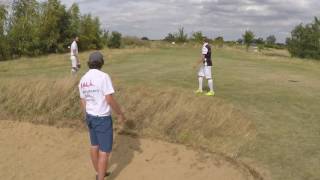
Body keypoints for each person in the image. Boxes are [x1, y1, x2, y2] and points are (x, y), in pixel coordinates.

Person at [79, 52, 125, 180]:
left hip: (90, 116)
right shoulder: (103, 77)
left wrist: (87, 114)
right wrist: (120, 113)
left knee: (94, 146)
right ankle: (101, 177)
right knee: (104, 151)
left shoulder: (83, 79)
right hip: (102, 118)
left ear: (89, 63)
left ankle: (99, 173)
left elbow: (83, 100)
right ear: (101, 63)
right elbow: (109, 99)